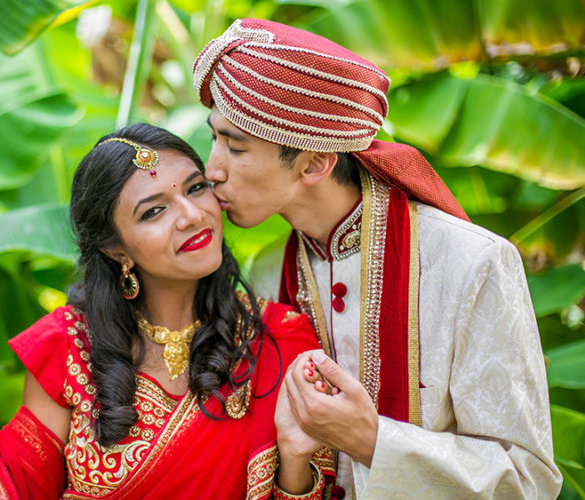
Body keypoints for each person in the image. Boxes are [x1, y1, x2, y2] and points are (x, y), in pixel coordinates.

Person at [0, 123, 335, 499]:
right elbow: (10, 492)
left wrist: (295, 459)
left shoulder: (282, 340)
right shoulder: (67, 347)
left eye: (195, 187)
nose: (191, 215)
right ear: (117, 250)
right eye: (153, 211)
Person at [193, 18, 562, 499]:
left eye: (235, 147)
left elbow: (530, 481)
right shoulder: (266, 273)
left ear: (315, 163)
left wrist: (373, 442)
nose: (212, 169)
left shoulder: (471, 264)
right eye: (215, 138)